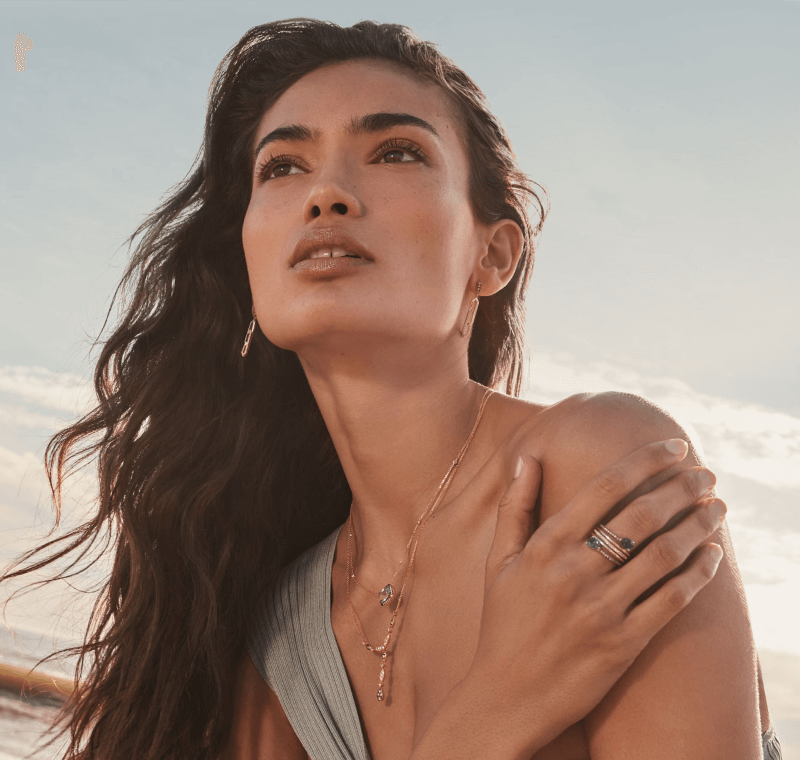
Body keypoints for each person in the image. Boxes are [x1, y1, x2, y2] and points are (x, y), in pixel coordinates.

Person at [0, 18, 781, 760]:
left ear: (494, 254)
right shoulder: (280, 636)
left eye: (396, 152)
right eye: (283, 166)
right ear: (247, 256)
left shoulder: (593, 470)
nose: (327, 193)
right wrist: (496, 706)